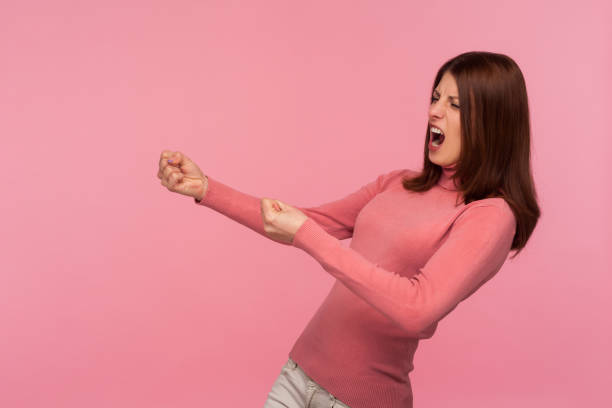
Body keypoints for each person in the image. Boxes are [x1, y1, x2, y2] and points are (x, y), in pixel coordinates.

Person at [156, 51, 541, 408]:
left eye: (454, 105)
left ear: (494, 122)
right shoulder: (398, 182)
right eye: (436, 97)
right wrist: (207, 189)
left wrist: (308, 236)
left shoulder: (491, 215)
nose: (434, 112)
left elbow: (418, 308)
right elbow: (303, 221)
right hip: (296, 374)